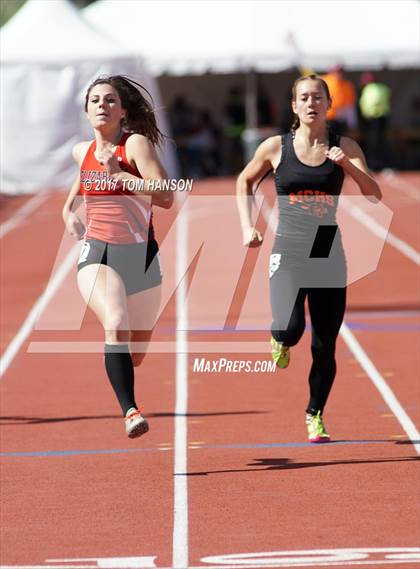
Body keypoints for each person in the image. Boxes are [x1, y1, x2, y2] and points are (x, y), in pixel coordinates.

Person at [236, 74, 381, 443]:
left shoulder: (345, 145)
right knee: (291, 329)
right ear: (295, 106)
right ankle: (279, 336)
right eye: (305, 97)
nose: (312, 103)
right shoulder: (275, 146)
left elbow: (374, 194)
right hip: (288, 247)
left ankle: (314, 413)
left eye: (318, 97)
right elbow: (244, 182)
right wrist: (246, 225)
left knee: (325, 344)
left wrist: (347, 165)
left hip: (327, 250)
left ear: (328, 103)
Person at [62, 75, 173, 439]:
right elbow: (82, 181)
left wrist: (121, 175)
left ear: (123, 110)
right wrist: (69, 212)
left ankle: (127, 386)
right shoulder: (82, 151)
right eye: (95, 100)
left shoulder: (135, 145)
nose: (102, 106)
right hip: (99, 251)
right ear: (86, 110)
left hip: (142, 257)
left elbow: (166, 195)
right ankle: (130, 411)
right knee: (115, 322)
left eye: (110, 100)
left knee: (134, 353)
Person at [358, 73, 391, 171]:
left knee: (373, 143)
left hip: (372, 119)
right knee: (379, 142)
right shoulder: (383, 88)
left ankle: (373, 165)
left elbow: (364, 104)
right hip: (381, 118)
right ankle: (379, 165)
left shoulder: (369, 89)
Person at [321, 65, 357, 136]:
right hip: (325, 118)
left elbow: (350, 106)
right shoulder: (323, 82)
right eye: (336, 71)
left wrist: (352, 124)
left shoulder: (347, 85)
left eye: (341, 71)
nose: (339, 74)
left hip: (340, 119)